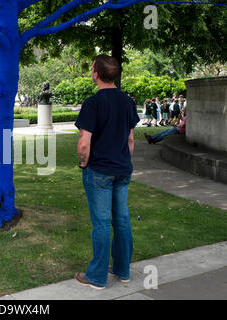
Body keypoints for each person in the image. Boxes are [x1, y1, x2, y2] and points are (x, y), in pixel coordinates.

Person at [74, 54, 140, 290]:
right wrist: (123, 162)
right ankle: (122, 271)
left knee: (101, 223)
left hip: (99, 172)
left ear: (96, 74)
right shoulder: (128, 102)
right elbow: (130, 139)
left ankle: (97, 277)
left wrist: (83, 164)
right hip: (122, 170)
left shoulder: (93, 103)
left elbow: (84, 143)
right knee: (121, 220)